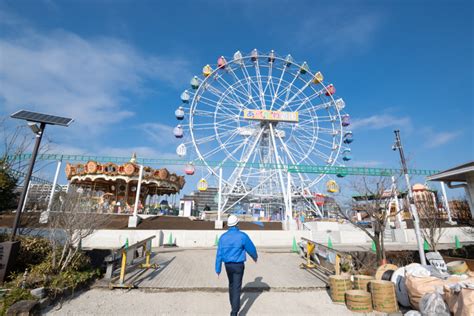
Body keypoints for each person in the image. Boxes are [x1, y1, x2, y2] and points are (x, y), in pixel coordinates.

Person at [215, 215, 258, 316]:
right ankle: (234, 312)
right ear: (237, 224)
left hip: (228, 266)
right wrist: (255, 257)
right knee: (237, 288)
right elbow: (251, 248)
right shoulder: (242, 236)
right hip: (238, 265)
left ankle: (233, 306)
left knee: (231, 285)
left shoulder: (223, 237)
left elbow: (219, 254)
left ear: (229, 225)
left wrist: (218, 269)